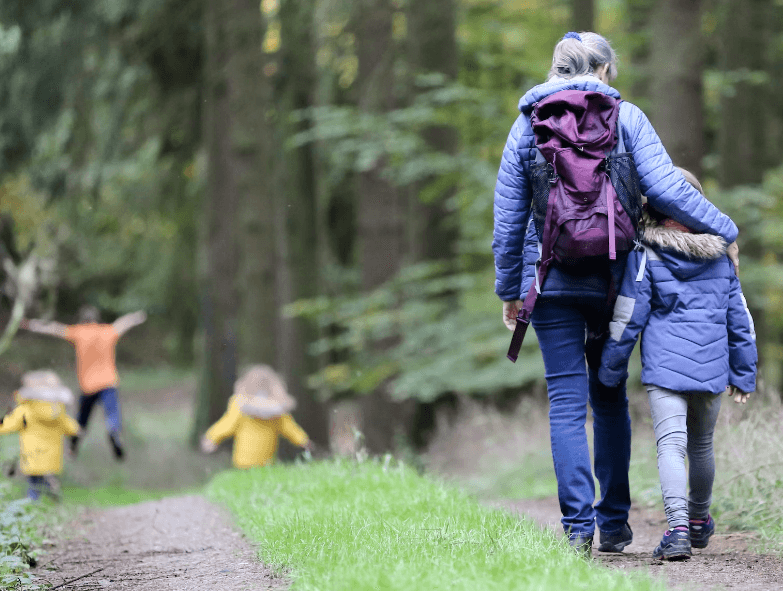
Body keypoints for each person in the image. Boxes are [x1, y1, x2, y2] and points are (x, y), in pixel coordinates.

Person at [492, 31, 740, 556]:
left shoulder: (526, 125)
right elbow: (670, 189)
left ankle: (577, 529)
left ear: (555, 69)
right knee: (608, 397)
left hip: (551, 280)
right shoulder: (627, 118)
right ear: (604, 70)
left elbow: (508, 218)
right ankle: (616, 524)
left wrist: (510, 289)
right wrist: (725, 230)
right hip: (615, 278)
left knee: (564, 401)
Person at [598, 169, 757, 561]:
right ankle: (700, 521)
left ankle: (679, 530)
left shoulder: (646, 253)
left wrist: (610, 368)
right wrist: (744, 372)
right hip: (712, 367)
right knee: (702, 445)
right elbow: (740, 319)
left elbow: (628, 315)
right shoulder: (722, 255)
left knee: (671, 446)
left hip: (666, 371)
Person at [20, 305, 147, 460]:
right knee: (112, 414)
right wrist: (136, 316)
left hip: (88, 386)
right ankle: (114, 433)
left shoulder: (79, 332)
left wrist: (31, 324)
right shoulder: (107, 331)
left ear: (82, 320)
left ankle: (73, 447)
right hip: (108, 383)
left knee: (81, 420)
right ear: (96, 319)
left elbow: (53, 328)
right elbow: (123, 323)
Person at [200, 365, 313, 468]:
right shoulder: (277, 410)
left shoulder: (240, 405)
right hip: (267, 462)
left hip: (243, 461)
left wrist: (211, 437)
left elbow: (227, 424)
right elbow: (290, 428)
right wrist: (304, 440)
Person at [0, 370, 81, 500]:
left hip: (32, 456)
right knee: (46, 481)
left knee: (33, 485)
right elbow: (72, 428)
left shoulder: (26, 410)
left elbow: (8, 424)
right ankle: (52, 499)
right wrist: (77, 431)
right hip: (52, 457)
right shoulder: (58, 411)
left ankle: (34, 503)